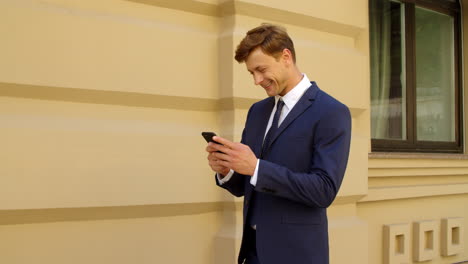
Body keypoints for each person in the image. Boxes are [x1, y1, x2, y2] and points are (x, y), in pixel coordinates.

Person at [205, 23, 351, 264]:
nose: (257, 80)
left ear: (286, 57)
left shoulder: (331, 112)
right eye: (252, 73)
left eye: (261, 69)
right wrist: (227, 169)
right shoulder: (257, 111)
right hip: (252, 254)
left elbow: (324, 190)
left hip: (297, 255)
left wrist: (256, 167)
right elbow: (246, 184)